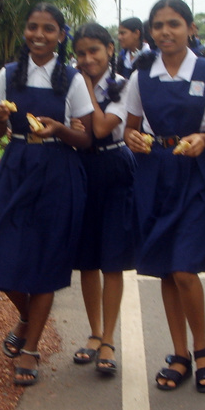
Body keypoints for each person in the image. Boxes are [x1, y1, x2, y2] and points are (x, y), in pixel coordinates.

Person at [0, 3, 94, 386]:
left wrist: (59, 129)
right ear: (24, 32)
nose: (39, 35)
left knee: (47, 261)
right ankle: (26, 315)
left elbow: (85, 139)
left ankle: (31, 348)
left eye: (48, 29)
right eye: (32, 27)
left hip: (58, 171)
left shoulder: (72, 79)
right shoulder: (9, 74)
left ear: (61, 35)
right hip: (16, 167)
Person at [123, 0, 205, 393]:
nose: (165, 31)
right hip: (154, 174)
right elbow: (129, 129)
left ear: (190, 29)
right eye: (158, 25)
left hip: (197, 176)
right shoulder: (141, 77)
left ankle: (204, 351)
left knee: (185, 267)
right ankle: (180, 354)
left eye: (174, 24)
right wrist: (132, 138)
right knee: (167, 268)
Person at [71, 23, 137, 375]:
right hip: (79, 169)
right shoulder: (67, 81)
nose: (87, 59)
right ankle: (94, 333)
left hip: (114, 167)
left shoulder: (123, 84)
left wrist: (84, 91)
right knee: (87, 259)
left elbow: (99, 128)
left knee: (112, 258)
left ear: (110, 49)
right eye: (80, 53)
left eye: (94, 51)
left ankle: (109, 339)